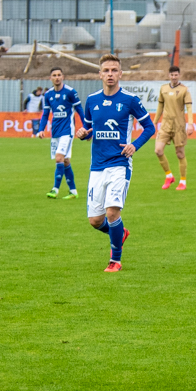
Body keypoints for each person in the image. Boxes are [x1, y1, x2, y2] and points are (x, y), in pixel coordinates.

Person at [75, 54, 155, 272]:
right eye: (106, 70)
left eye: (114, 70)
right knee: (95, 220)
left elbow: (150, 127)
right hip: (97, 166)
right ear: (100, 74)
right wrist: (83, 133)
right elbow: (89, 130)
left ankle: (115, 260)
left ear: (120, 73)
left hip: (120, 164)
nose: (110, 74)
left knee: (112, 213)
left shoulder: (130, 100)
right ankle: (120, 233)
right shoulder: (92, 100)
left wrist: (135, 145)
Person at [36, 68, 85, 199]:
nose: (57, 77)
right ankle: (73, 191)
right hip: (55, 132)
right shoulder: (48, 95)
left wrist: (86, 126)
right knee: (65, 161)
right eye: (54, 75)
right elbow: (45, 113)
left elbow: (80, 110)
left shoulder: (70, 92)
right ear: (50, 78)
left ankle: (55, 189)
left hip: (67, 131)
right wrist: (41, 129)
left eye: (59, 75)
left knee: (59, 158)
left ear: (63, 76)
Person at [154, 65, 193, 191]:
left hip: (179, 125)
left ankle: (183, 181)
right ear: (169, 75)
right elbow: (160, 106)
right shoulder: (163, 88)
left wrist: (190, 123)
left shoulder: (184, 90)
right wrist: (154, 122)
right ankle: (169, 176)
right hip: (165, 124)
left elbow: (189, 108)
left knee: (180, 153)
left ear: (179, 75)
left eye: (176, 75)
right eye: (172, 75)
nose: (174, 77)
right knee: (158, 150)